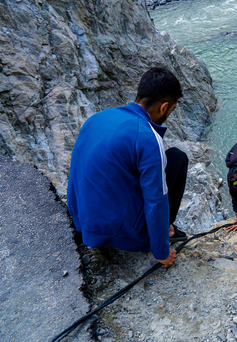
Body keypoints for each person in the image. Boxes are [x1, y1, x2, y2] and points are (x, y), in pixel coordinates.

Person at [67, 67, 189, 268]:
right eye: (171, 110)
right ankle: (165, 229)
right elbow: (155, 200)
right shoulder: (148, 137)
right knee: (176, 158)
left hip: (82, 223)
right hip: (119, 235)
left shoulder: (98, 118)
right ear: (164, 107)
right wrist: (161, 251)